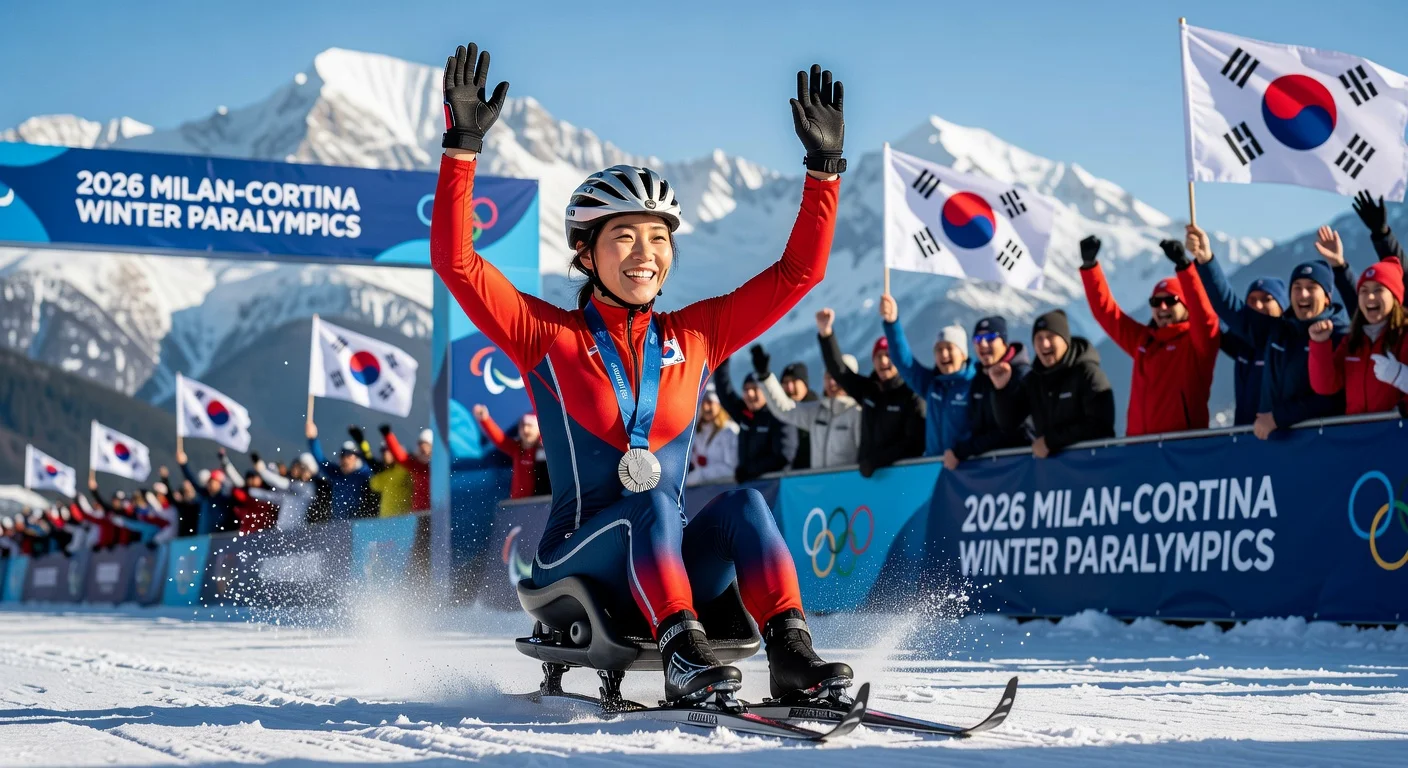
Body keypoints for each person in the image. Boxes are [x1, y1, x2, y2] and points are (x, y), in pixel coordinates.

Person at [430, 44, 851, 703]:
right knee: (651, 505)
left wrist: (824, 170)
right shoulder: (547, 334)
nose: (644, 254)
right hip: (574, 559)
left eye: (658, 238)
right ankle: (684, 656)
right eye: (623, 236)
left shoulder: (696, 334)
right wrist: (461, 147)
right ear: (586, 252)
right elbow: (457, 263)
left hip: (664, 553)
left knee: (743, 504)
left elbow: (799, 274)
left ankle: (793, 653)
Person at [1196, 224, 1351, 439]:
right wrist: (1206, 261)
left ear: (1326, 297)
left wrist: (1278, 418)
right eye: (1296, 287)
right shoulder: (1278, 330)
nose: (1303, 293)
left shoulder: (1340, 335)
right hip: (1272, 445)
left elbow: (1333, 398)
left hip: (1319, 445)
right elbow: (1229, 307)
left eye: (1311, 287)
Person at [1078, 235, 1220, 435]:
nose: (1162, 307)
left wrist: (1184, 267)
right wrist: (1090, 267)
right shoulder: (1144, 341)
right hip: (1140, 447)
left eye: (1171, 300)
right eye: (1155, 302)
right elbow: (1107, 314)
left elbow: (1206, 318)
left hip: (1183, 447)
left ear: (1186, 305)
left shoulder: (1197, 344)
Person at [990, 309, 1116, 457]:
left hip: (1092, 466)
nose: (1044, 343)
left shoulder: (1087, 373)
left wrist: (1051, 441)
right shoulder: (1033, 380)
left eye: (1050, 336)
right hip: (1054, 471)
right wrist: (1001, 390)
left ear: (1065, 340)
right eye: (1039, 338)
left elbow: (1100, 424)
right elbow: (1009, 423)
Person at [816, 308, 925, 477]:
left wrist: (877, 461)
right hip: (868, 478)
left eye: (888, 355)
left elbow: (914, 442)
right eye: (878, 356)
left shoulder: (910, 393)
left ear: (897, 358)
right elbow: (839, 371)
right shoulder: (869, 390)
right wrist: (826, 334)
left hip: (902, 476)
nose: (883, 361)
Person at [1309, 252, 1408, 413]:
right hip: (1358, 434)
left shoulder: (1405, 336)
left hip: (1395, 435)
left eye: (1378, 290)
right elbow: (1326, 386)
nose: (1370, 296)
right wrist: (1319, 344)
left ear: (1394, 296)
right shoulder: (1352, 340)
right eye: (1363, 290)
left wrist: (1399, 378)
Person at [878, 294, 975, 458]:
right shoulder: (932, 385)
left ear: (963, 354)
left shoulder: (975, 384)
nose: (944, 354)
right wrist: (891, 323)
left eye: (950, 348)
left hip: (967, 469)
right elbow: (904, 362)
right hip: (933, 468)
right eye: (938, 349)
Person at [945, 316, 1034, 469]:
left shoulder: (1022, 375)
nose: (983, 344)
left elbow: (1015, 430)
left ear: (1004, 341)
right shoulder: (979, 377)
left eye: (990, 337)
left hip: (1023, 466)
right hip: (989, 470)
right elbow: (977, 427)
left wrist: (964, 450)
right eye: (978, 339)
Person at [756, 343, 862, 469]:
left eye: (838, 377)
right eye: (828, 376)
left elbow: (865, 455)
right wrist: (766, 378)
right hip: (819, 484)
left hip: (848, 485)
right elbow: (785, 410)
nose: (832, 382)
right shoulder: (818, 411)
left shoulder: (858, 412)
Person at [714, 356, 798, 482]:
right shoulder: (746, 415)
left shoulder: (779, 415)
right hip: (753, 486)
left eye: (754, 389)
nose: (750, 394)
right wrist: (722, 361)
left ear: (765, 391)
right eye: (746, 389)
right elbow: (725, 393)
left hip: (778, 487)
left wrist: (749, 470)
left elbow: (784, 456)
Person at [475, 405, 551, 498]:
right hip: (517, 504)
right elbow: (500, 440)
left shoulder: (546, 450)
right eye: (523, 426)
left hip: (540, 503)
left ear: (539, 429)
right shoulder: (516, 449)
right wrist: (485, 420)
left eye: (530, 426)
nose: (526, 430)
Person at [306, 421, 375, 520]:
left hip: (357, 524)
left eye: (348, 455)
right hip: (337, 523)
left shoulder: (363, 474)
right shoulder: (336, 474)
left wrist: (361, 442)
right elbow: (321, 460)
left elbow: (372, 463)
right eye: (342, 455)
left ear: (356, 458)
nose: (345, 459)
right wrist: (312, 439)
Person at [686, 385, 740, 486]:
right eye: (703, 403)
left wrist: (700, 475)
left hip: (724, 488)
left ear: (720, 404)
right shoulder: (699, 432)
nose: (706, 407)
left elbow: (731, 469)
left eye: (710, 402)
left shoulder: (729, 431)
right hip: (703, 490)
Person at [176, 451, 236, 533]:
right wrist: (183, 465)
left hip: (219, 537)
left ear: (220, 484)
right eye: (210, 482)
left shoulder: (225, 500)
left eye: (214, 482)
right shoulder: (205, 495)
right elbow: (193, 481)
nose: (211, 485)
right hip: (203, 537)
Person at [254, 452, 319, 529]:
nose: (294, 468)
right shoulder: (297, 486)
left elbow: (279, 483)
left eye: (298, 466)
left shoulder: (305, 488)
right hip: (286, 530)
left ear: (306, 471)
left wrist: (262, 471)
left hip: (294, 531)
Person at [776, 360, 818, 469]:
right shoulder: (779, 413)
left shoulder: (817, 410)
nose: (790, 387)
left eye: (794, 381)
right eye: (785, 382)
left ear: (804, 383)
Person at [382, 425, 431, 512]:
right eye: (420, 444)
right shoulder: (417, 465)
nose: (422, 447)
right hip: (419, 512)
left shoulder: (439, 466)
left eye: (426, 444)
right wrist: (388, 436)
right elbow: (400, 457)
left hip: (438, 510)